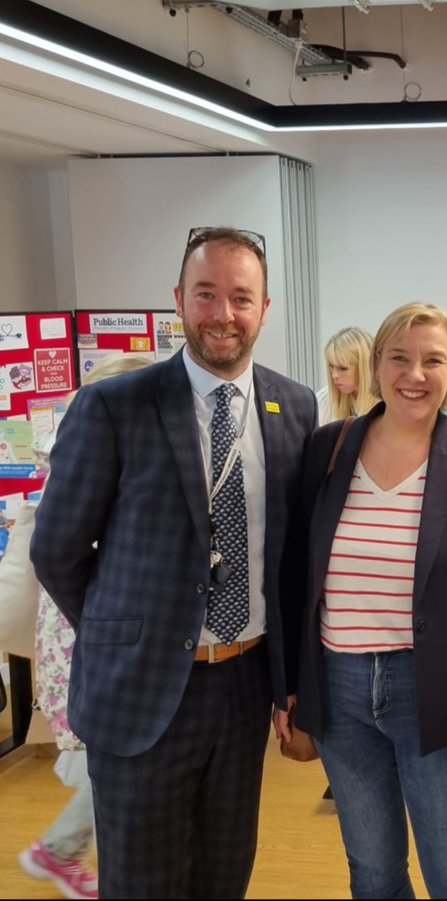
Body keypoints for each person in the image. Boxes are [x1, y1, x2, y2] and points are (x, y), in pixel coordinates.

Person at [30, 226, 317, 899]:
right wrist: (126, 631)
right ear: (178, 300)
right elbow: (57, 548)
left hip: (243, 687)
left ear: (265, 307)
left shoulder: (293, 406)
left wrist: (289, 682)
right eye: (206, 294)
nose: (223, 314)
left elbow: (289, 557)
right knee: (142, 883)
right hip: (142, 690)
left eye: (240, 298)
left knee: (223, 874)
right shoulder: (115, 404)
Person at [294, 303, 447, 899]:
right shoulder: (327, 449)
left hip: (436, 691)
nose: (414, 373)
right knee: (372, 869)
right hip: (339, 688)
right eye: (399, 357)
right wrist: (290, 689)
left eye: (432, 360)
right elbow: (296, 578)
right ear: (376, 365)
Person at [11, 353, 153, 901]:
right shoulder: (91, 460)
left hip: (87, 632)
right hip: (86, 635)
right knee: (117, 764)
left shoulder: (89, 454)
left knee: (116, 763)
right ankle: (61, 850)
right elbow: (67, 555)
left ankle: (64, 849)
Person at [318, 326, 380, 425]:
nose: (334, 375)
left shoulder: (387, 404)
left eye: (343, 368)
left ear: (364, 367)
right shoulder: (324, 400)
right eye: (331, 367)